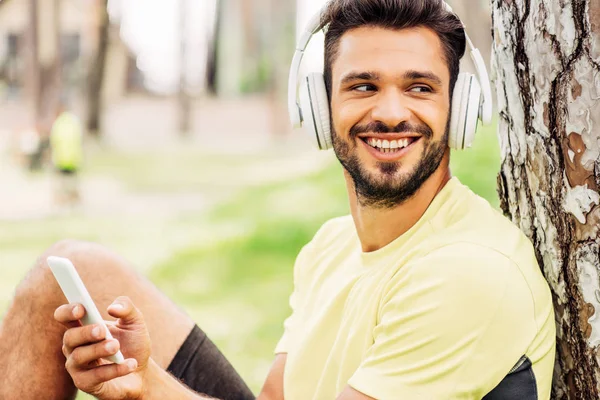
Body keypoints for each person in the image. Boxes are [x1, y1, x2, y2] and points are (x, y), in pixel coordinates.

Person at [0, 1, 556, 399]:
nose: (390, 111)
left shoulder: (470, 272)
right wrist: (140, 374)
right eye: (363, 85)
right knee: (70, 272)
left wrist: (146, 384)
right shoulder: (331, 245)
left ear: (460, 110)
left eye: (420, 86)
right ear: (318, 105)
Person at [49, 102, 84, 206]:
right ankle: (74, 202)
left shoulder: (58, 123)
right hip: (74, 158)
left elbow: (54, 142)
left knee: (60, 184)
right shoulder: (74, 121)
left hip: (61, 158)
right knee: (73, 183)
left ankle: (61, 203)